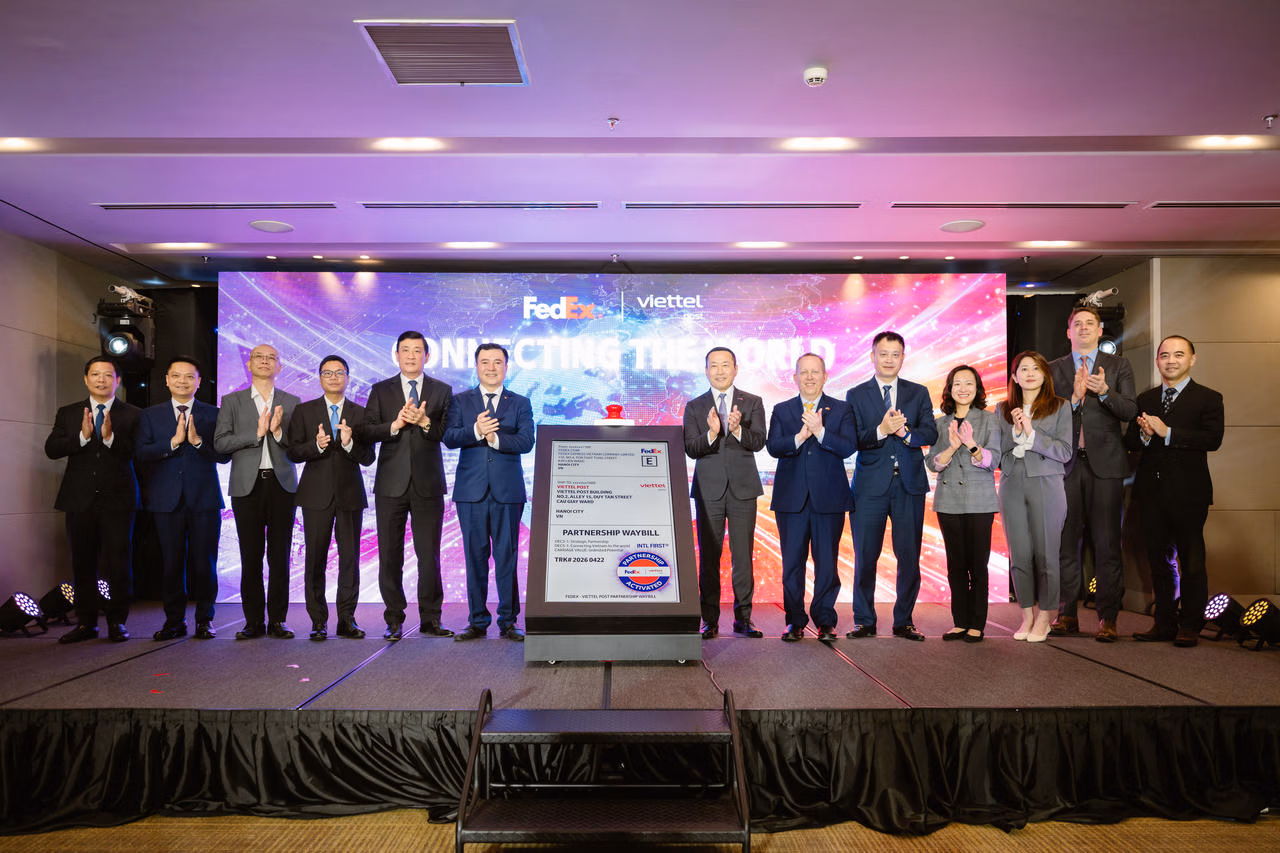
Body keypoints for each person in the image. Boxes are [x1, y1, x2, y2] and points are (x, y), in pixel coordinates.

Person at [1125, 335, 1225, 648]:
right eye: (1165, 355)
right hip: (1151, 493)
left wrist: (1168, 433)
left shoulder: (1208, 398)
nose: (1171, 360)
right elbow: (1130, 442)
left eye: (1179, 355)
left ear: (1192, 359)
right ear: (1157, 361)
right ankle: (1164, 623)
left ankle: (1191, 625)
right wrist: (1144, 435)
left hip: (1189, 494)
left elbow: (1212, 439)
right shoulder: (1146, 398)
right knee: (1159, 561)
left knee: (1192, 562)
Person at [1048, 306, 1137, 642]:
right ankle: (1066, 613)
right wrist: (1073, 401)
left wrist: (1104, 392)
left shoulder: (1118, 365)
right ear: (1068, 332)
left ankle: (1108, 618)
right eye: (1077, 324)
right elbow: (1044, 414)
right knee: (1065, 542)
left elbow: (1130, 410)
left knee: (1107, 543)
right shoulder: (1053, 368)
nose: (1083, 328)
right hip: (1064, 465)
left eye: (1090, 323)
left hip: (1107, 467)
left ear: (1100, 331)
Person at [360, 331, 454, 641]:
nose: (411, 355)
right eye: (405, 350)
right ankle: (394, 619)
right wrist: (395, 425)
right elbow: (367, 431)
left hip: (428, 484)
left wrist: (425, 422)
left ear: (427, 356)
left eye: (417, 350)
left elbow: (447, 434)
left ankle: (431, 618)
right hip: (390, 485)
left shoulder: (442, 390)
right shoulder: (380, 390)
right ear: (397, 355)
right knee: (390, 555)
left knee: (429, 556)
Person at [846, 331, 939, 641]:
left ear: (903, 357)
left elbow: (930, 432)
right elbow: (852, 439)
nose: (889, 359)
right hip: (869, 487)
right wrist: (881, 430)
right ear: (872, 356)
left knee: (909, 556)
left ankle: (904, 621)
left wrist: (907, 434)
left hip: (908, 485)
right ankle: (864, 620)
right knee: (865, 555)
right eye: (883, 354)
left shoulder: (918, 392)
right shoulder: (856, 394)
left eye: (895, 354)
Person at [44, 357, 141, 643]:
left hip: (118, 500)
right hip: (79, 499)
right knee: (82, 562)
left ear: (117, 381)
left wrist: (110, 438)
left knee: (118, 564)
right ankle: (86, 623)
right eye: (95, 374)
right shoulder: (68, 412)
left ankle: (117, 622)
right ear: (86, 379)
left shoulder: (134, 414)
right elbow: (51, 449)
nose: (101, 379)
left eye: (108, 375)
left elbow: (140, 452)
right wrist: (81, 437)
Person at [443, 344, 535, 642]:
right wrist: (476, 431)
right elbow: (449, 437)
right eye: (485, 362)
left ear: (506, 367)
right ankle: (477, 621)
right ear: (477, 366)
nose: (491, 367)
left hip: (508, 492)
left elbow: (526, 441)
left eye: (497, 362)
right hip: (471, 492)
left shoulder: (520, 402)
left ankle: (508, 621)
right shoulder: (460, 401)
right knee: (475, 558)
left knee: (507, 557)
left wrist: (495, 438)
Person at [136, 356, 231, 640]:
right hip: (165, 500)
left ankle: (205, 619)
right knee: (171, 563)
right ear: (167, 380)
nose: (183, 381)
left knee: (205, 563)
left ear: (199, 382)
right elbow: (141, 453)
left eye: (189, 376)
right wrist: (173, 443)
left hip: (204, 499)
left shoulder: (214, 414)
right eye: (176, 376)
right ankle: (174, 621)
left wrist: (198, 443)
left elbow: (224, 455)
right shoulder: (150, 415)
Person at [285, 355, 376, 641]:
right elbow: (292, 452)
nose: (334, 377)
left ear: (348, 377)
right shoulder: (304, 411)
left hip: (350, 495)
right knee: (315, 560)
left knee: (350, 560)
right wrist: (315, 445)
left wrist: (349, 444)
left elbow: (368, 457)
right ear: (320, 378)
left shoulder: (361, 413)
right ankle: (318, 621)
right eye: (328, 373)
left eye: (339, 373)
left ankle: (347, 619)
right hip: (315, 495)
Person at [766, 353, 855, 642]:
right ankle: (794, 620)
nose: (809, 377)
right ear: (795, 377)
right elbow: (773, 446)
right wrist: (800, 437)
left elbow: (848, 447)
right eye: (803, 372)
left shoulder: (841, 409)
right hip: (791, 500)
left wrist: (820, 432)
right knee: (792, 563)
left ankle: (825, 620)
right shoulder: (782, 410)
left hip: (829, 498)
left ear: (825, 376)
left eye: (815, 372)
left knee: (827, 563)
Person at [213, 344, 299, 640]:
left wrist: (277, 432)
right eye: (258, 357)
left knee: (280, 556)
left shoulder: (292, 402)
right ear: (249, 364)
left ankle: (278, 620)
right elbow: (220, 444)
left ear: (279, 367)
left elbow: (297, 446)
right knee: (250, 556)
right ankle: (253, 622)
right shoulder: (232, 401)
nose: (265, 361)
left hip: (282, 486)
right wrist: (257, 434)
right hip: (245, 487)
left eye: (271, 358)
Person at [682, 346, 767, 639]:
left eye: (725, 365)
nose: (720, 371)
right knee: (709, 558)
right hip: (709, 490)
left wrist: (738, 430)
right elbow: (690, 448)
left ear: (735, 368)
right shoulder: (695, 406)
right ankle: (710, 620)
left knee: (743, 557)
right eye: (714, 366)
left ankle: (744, 619)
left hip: (743, 490)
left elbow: (759, 441)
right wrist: (712, 433)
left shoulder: (752, 402)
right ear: (706, 371)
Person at [995, 351, 1073, 642]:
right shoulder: (1003, 408)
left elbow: (1065, 451)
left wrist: (1031, 434)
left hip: (1046, 483)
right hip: (1012, 483)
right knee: (1019, 554)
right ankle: (1027, 614)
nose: (1029, 374)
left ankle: (1045, 616)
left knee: (1046, 554)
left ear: (1044, 374)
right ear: (1014, 377)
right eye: (1023, 369)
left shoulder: (1060, 406)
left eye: (1035, 368)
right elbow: (997, 451)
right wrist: (1015, 436)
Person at [925, 365, 999, 643]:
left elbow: (994, 460)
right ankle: (960, 622)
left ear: (977, 388)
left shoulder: (989, 420)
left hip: (980, 502)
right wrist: (953, 447)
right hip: (948, 503)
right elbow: (932, 463)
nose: (963, 388)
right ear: (950, 389)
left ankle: (977, 623)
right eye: (957, 383)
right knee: (955, 565)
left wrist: (970, 444)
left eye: (969, 383)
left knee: (977, 565)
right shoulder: (939, 424)